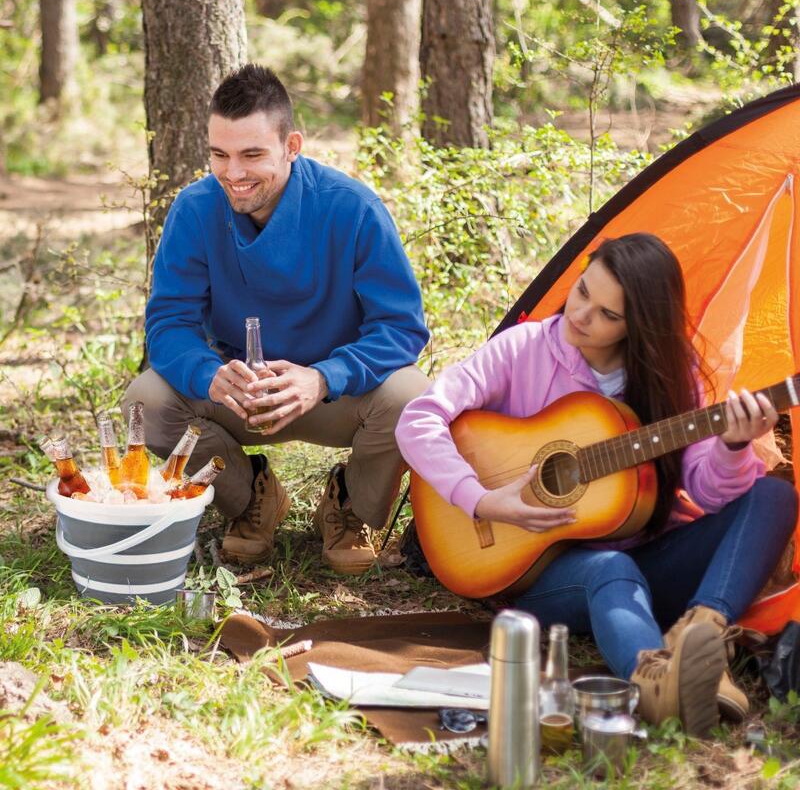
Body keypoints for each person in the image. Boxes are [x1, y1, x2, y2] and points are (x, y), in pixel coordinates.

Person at [396, 233, 798, 736]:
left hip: (651, 556)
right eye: (583, 290)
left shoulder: (673, 378)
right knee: (611, 566)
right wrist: (481, 500)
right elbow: (419, 420)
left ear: (641, 327)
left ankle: (701, 637)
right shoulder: (524, 349)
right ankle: (656, 684)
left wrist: (733, 446)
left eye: (608, 314)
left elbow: (709, 491)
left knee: (775, 494)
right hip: (542, 572)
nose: (581, 315)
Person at [123, 64, 429, 576]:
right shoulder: (195, 210)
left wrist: (324, 377)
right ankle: (251, 499)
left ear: (292, 145)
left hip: (336, 393)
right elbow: (169, 323)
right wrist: (210, 375)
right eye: (219, 154)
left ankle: (350, 504)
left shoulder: (352, 208)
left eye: (251, 155)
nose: (233, 173)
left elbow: (401, 327)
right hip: (242, 392)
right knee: (146, 403)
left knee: (412, 399)